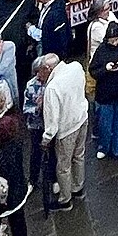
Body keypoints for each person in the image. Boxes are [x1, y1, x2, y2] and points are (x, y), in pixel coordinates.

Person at [41, 53, 89, 209]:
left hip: (66, 130)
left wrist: (45, 140)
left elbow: (52, 123)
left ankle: (65, 199)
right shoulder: (76, 67)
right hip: (82, 119)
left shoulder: (52, 88)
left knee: (63, 166)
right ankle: (78, 188)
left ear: (48, 68)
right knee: (79, 156)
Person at [89, 17, 118, 162]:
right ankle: (104, 146)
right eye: (111, 40)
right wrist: (105, 69)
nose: (114, 42)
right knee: (105, 124)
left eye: (116, 39)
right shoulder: (101, 50)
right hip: (105, 95)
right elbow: (93, 71)